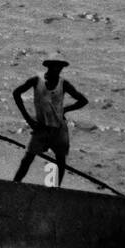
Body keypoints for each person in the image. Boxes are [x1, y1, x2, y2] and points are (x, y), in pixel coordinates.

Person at [12, 58, 89, 186]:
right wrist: (28, 118)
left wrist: (64, 110)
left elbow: (83, 100)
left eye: (60, 67)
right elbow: (16, 93)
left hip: (58, 128)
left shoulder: (63, 84)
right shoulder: (37, 80)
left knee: (60, 161)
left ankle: (56, 189)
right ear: (49, 67)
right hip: (41, 128)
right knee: (27, 159)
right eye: (56, 67)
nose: (58, 70)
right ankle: (14, 185)